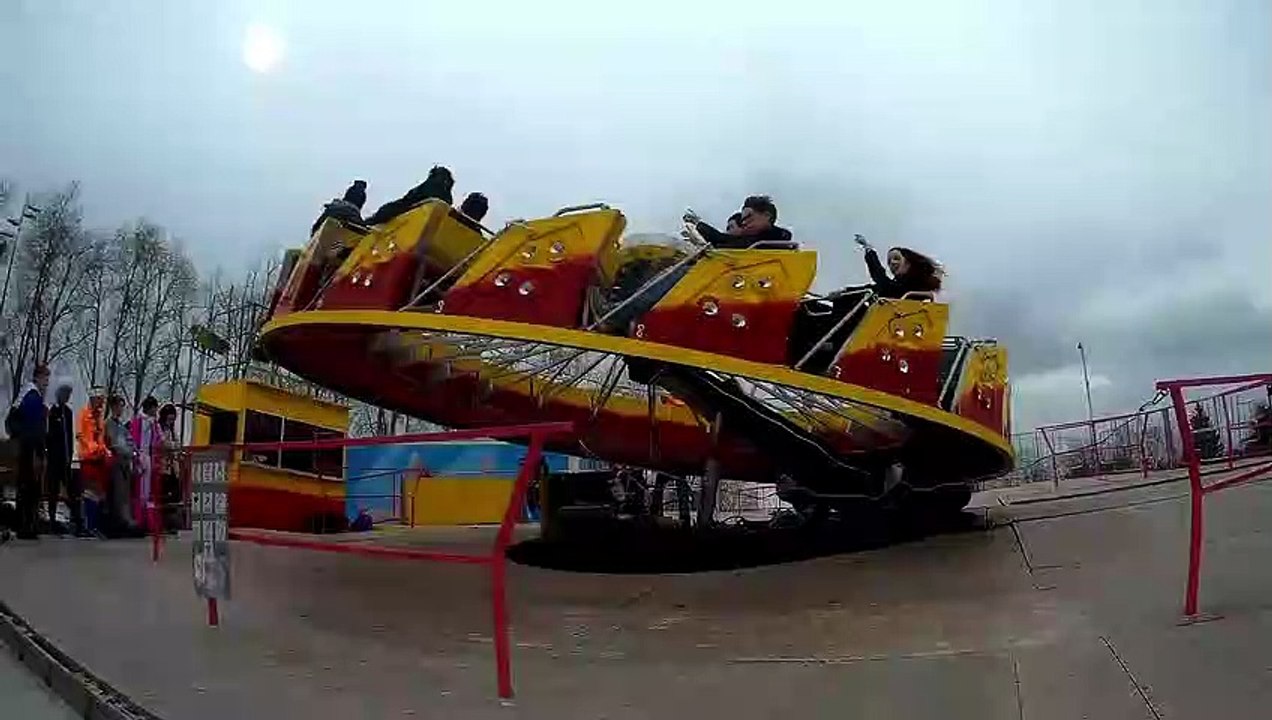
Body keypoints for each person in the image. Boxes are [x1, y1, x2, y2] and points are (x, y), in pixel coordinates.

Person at [9, 365, 49, 539]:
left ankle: (24, 524)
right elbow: (36, 429)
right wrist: (39, 452)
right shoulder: (32, 398)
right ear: (38, 377)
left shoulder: (25, 395)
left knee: (26, 486)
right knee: (29, 487)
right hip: (30, 448)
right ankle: (26, 526)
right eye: (46, 379)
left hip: (25, 445)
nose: (47, 383)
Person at [683, 195, 794, 250]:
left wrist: (699, 225)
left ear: (766, 216)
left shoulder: (776, 239)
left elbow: (724, 241)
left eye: (749, 216)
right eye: (743, 220)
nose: (745, 223)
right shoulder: (752, 240)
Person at [46, 383, 84, 536]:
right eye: (65, 395)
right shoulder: (53, 412)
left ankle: (77, 521)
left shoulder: (68, 412)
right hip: (54, 457)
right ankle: (52, 520)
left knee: (71, 489)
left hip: (66, 458)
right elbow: (49, 435)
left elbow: (69, 434)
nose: (67, 398)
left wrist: (71, 454)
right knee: (53, 490)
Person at [853, 235, 943, 298]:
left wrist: (870, 251)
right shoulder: (899, 285)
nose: (892, 263)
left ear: (908, 262)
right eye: (889, 261)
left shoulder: (915, 283)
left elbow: (886, 286)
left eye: (896, 258)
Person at [363, 166, 455, 226]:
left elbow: (410, 198)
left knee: (385, 210)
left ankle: (366, 225)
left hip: (411, 211)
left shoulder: (430, 184)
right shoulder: (448, 196)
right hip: (426, 216)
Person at [77, 387, 110, 533]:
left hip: (99, 459)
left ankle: (96, 524)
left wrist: (104, 450)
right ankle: (88, 524)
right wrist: (93, 448)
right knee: (89, 492)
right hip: (89, 459)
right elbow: (81, 435)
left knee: (99, 493)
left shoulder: (100, 418)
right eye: (99, 400)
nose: (101, 404)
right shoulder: (84, 415)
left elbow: (101, 438)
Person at [105, 394, 138, 536]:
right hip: (116, 462)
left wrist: (131, 452)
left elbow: (130, 441)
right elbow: (113, 443)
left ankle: (125, 520)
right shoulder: (109, 424)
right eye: (119, 406)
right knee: (118, 493)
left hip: (125, 461)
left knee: (125, 493)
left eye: (122, 406)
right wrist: (126, 451)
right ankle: (118, 522)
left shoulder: (121, 426)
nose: (121, 409)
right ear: (113, 407)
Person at [130, 396, 162, 532]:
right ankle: (139, 520)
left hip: (149, 456)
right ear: (150, 408)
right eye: (155, 408)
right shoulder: (138, 421)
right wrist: (136, 458)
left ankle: (147, 521)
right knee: (140, 490)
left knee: (148, 491)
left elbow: (159, 440)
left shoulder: (154, 423)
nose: (156, 411)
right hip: (141, 455)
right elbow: (132, 440)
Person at [157, 403, 182, 533]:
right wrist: (173, 446)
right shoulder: (159, 428)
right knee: (164, 495)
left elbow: (177, 444)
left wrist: (174, 446)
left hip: (173, 467)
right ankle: (163, 524)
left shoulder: (172, 430)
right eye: (169, 419)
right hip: (163, 466)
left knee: (174, 495)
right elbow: (163, 444)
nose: (171, 421)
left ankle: (172, 523)